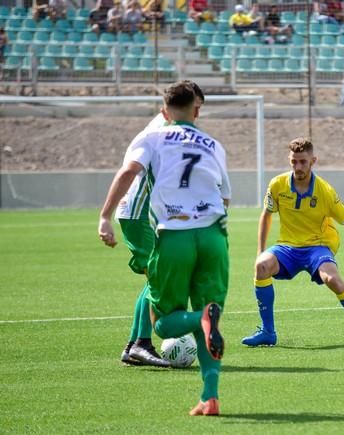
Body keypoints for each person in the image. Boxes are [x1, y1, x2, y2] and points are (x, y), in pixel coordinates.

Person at [98, 81, 231, 416]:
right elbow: (224, 195)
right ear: (197, 110)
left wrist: (104, 216)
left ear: (163, 110)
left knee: (166, 323)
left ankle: (174, 328)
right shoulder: (214, 144)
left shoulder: (152, 136)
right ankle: (209, 397)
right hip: (215, 236)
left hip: (175, 235)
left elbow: (129, 171)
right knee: (208, 312)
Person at [240, 137, 344, 348]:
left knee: (333, 280)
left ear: (313, 161)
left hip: (318, 246)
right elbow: (266, 214)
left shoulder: (325, 191)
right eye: (294, 161)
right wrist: (260, 251)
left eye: (303, 161)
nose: (298, 166)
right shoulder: (277, 184)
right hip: (288, 246)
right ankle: (267, 332)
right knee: (261, 266)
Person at [117, 81, 205, 368]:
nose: (198, 115)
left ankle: (135, 345)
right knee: (158, 278)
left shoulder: (169, 129)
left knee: (156, 277)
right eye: (197, 108)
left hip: (147, 215)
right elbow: (132, 170)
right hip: (137, 213)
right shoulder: (162, 132)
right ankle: (140, 343)